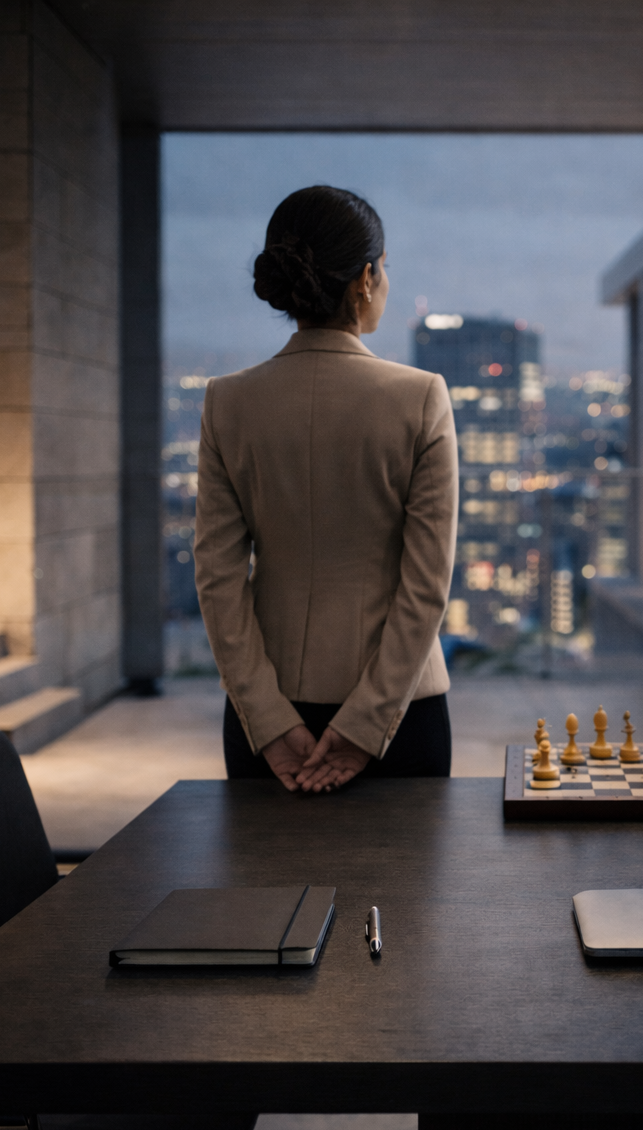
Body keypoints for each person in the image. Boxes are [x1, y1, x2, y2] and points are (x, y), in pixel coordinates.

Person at [194, 185, 458, 793]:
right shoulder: (419, 397)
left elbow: (218, 577)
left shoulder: (227, 402)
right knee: (400, 892)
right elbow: (426, 584)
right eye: (384, 268)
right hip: (400, 715)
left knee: (270, 888)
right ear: (365, 279)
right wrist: (368, 722)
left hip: (270, 715)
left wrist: (265, 716)